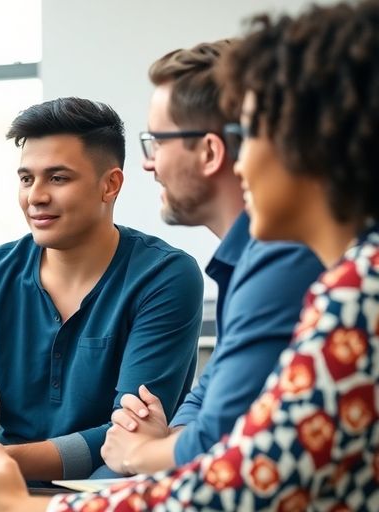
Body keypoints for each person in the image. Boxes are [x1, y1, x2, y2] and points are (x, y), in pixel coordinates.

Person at [0, 2, 379, 509]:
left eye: (253, 134)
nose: (243, 163)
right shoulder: (345, 279)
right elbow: (218, 439)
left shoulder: (350, 286)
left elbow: (236, 479)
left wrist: (27, 506)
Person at [0, 97, 205, 511]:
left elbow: (131, 434)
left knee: (120, 482)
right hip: (3, 464)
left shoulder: (166, 276)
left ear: (111, 184)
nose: (36, 196)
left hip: (107, 469)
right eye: (26, 179)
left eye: (58, 178)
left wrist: (0, 458)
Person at [97, 41, 323, 476]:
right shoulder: (248, 258)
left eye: (156, 142)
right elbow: (206, 399)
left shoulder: (283, 259)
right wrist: (167, 441)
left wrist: (141, 453)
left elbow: (220, 439)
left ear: (209, 152)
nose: (149, 164)